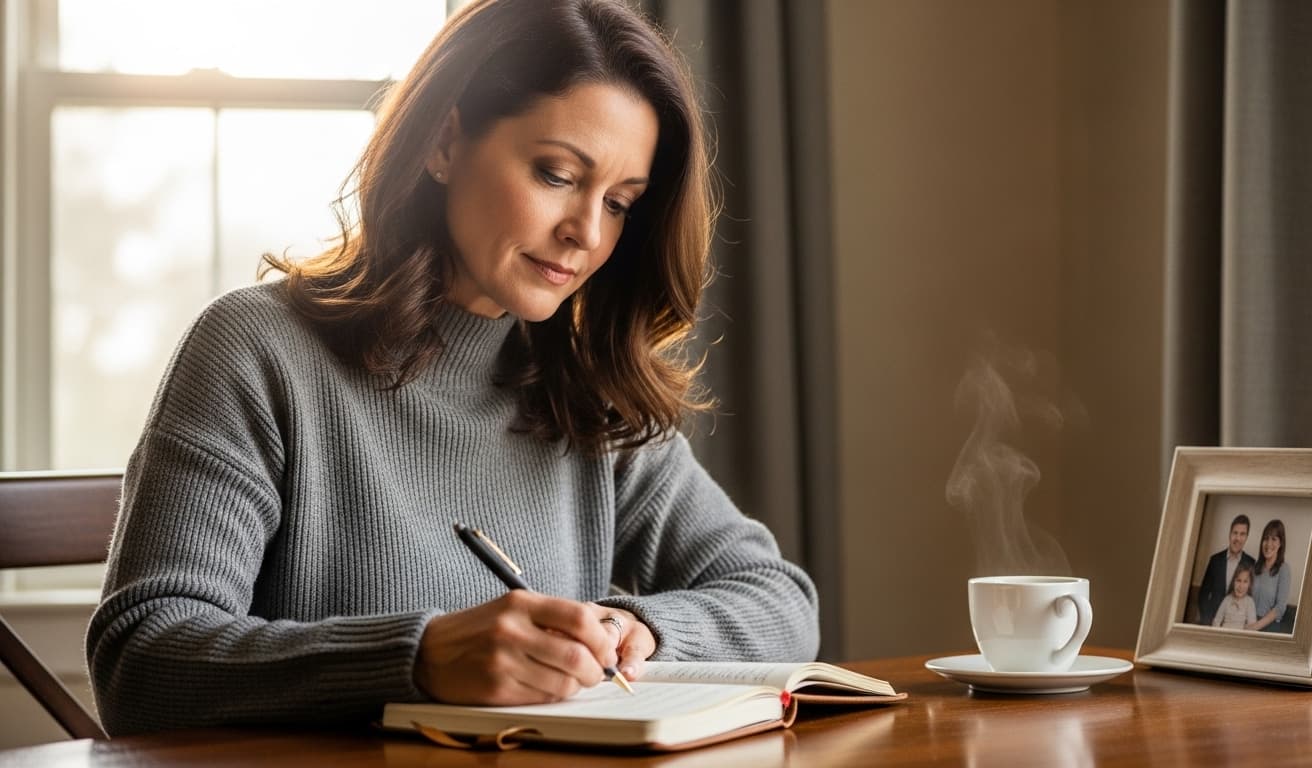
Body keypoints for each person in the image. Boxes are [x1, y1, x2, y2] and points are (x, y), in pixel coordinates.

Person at [85, 0, 819, 736]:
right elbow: (141, 661)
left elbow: (781, 600)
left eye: (622, 203)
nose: (587, 233)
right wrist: (419, 659)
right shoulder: (256, 350)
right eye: (556, 174)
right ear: (444, 141)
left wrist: (638, 631)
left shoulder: (585, 388)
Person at [1195, 514, 1255, 625]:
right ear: (1229, 534)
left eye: (1242, 534)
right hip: (1212, 622)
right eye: (1235, 533)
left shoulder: (1251, 563)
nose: (1237, 538)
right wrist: (1208, 621)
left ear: (1246, 537)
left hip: (1236, 626)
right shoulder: (1215, 560)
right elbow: (1203, 595)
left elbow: (1250, 597)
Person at [1248, 519, 1291, 632]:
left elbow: (1280, 608)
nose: (1268, 544)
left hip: (1269, 627)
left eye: (1274, 539)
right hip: (1249, 622)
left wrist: (1256, 626)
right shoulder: (1254, 567)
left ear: (1280, 543)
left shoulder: (1284, 569)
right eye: (1266, 538)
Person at [1211, 562, 1257, 630]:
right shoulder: (1227, 599)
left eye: (1245, 581)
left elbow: (1252, 626)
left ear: (1250, 585)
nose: (1241, 586)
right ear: (1233, 582)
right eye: (1238, 580)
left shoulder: (1249, 602)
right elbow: (1216, 621)